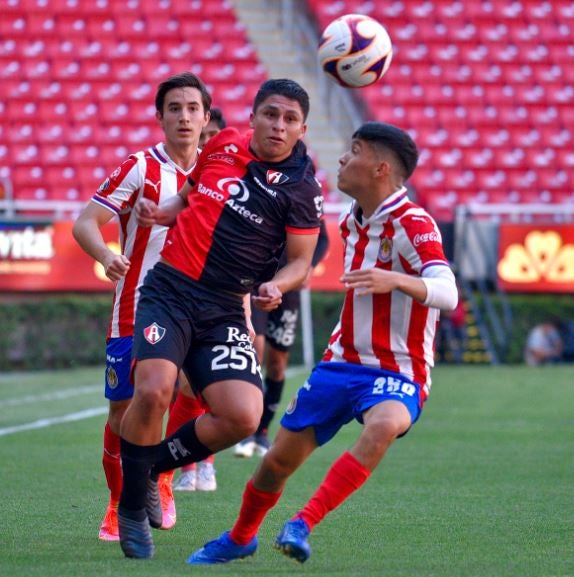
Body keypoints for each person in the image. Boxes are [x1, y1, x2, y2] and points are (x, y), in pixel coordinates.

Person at [187, 121, 458, 566]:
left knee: (385, 424)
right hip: (341, 362)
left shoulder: (413, 222)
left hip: (399, 369)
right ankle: (240, 537)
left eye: (354, 151)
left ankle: (302, 523)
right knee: (276, 463)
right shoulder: (353, 219)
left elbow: (448, 293)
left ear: (381, 169)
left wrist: (395, 279)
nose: (343, 159)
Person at [117, 78, 323, 559]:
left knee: (242, 416)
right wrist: (158, 212)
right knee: (152, 391)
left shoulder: (302, 189)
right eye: (270, 114)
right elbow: (186, 199)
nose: (278, 125)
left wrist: (279, 284)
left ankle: (149, 469)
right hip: (169, 291)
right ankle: (130, 508)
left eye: (290, 119)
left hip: (226, 306)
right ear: (251, 118)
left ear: (302, 129)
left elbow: (300, 261)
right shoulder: (223, 145)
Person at [72, 72, 212, 541]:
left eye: (193, 108)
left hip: (197, 311)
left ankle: (163, 479)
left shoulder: (217, 176)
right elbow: (86, 222)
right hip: (135, 308)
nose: (184, 117)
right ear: (160, 117)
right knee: (123, 415)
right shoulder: (140, 167)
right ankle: (118, 505)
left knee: (192, 390)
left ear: (206, 117)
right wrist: (107, 254)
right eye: (175, 108)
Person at [235, 218, 329, 458]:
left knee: (277, 365)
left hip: (288, 290)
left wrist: (307, 266)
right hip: (255, 284)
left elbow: (323, 238)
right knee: (254, 350)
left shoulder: (306, 189)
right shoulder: (258, 184)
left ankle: (262, 432)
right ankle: (247, 428)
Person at [171, 106, 228, 493]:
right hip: (179, 289)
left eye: (214, 139)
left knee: (214, 383)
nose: (207, 145)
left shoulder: (234, 181)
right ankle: (186, 464)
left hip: (228, 292)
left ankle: (202, 463)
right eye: (205, 138)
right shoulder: (184, 183)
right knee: (185, 384)